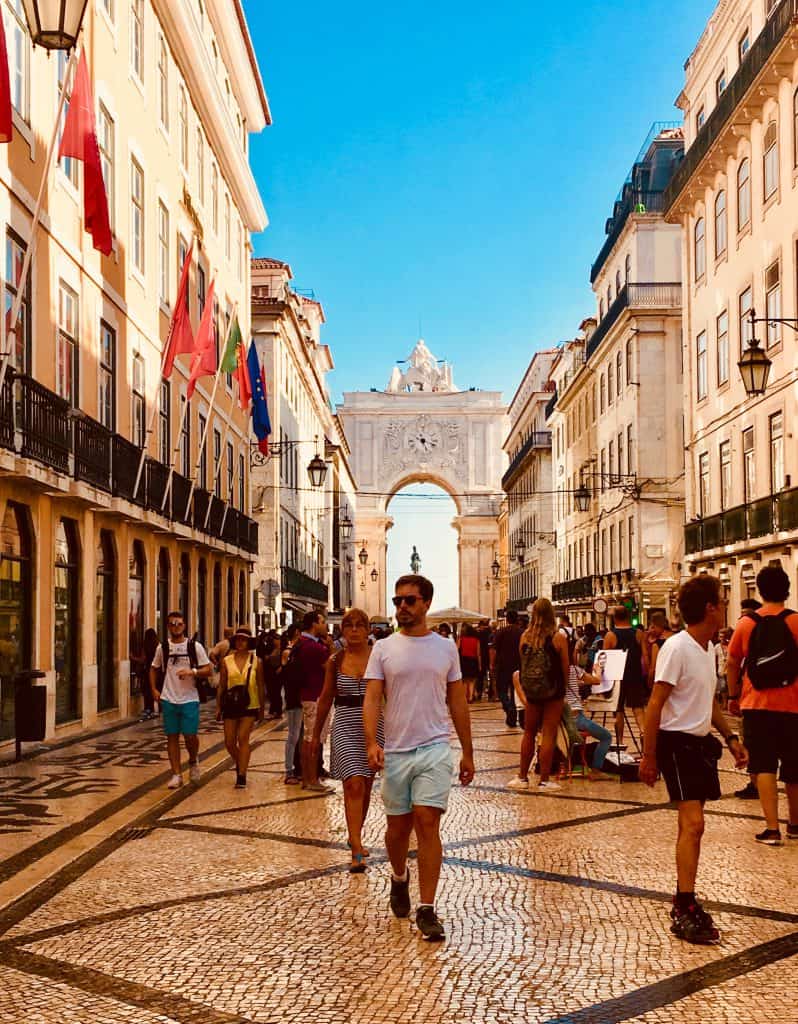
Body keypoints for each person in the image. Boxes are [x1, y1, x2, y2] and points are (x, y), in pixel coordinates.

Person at [363, 574, 474, 942]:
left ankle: (427, 908)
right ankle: (399, 876)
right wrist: (370, 743)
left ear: (426, 602)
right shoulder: (383, 648)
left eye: (409, 600)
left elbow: (457, 700)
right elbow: (372, 698)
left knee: (427, 822)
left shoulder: (446, 648)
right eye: (397, 601)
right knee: (397, 829)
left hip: (434, 747)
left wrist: (467, 751)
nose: (402, 607)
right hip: (396, 750)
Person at [640, 575, 747, 945]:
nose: (724, 606)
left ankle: (686, 898)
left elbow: (708, 702)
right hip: (676, 744)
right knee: (694, 823)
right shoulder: (677, 647)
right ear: (710, 609)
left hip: (699, 744)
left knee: (694, 827)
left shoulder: (708, 649)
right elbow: (655, 703)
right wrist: (649, 756)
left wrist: (730, 737)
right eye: (721, 601)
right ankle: (683, 904)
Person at [726, 565, 798, 845]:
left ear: (759, 590)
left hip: (757, 705)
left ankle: (772, 828)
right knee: (794, 768)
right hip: (793, 706)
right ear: (787, 589)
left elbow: (732, 663)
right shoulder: (795, 622)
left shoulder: (747, 623)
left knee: (764, 765)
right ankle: (795, 823)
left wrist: (733, 696)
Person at [313, 608, 383, 873]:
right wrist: (315, 736)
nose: (354, 630)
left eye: (359, 625)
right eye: (349, 625)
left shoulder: (379, 658)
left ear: (367, 630)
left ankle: (356, 833)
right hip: (343, 723)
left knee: (365, 785)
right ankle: (356, 847)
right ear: (342, 629)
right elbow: (325, 697)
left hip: (373, 726)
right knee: (352, 784)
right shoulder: (336, 659)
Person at [507, 598, 569, 791]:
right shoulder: (558, 637)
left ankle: (522, 777)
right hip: (553, 690)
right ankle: (544, 780)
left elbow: (522, 663)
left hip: (532, 691)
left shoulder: (525, 636)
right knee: (549, 733)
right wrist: (563, 689)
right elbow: (566, 667)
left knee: (529, 732)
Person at [149, 611, 212, 789]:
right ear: (168, 627)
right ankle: (176, 774)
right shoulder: (163, 648)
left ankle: (193, 760)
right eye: (172, 624)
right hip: (169, 698)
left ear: (184, 625)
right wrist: (154, 689)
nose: (175, 627)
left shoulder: (194, 647)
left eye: (179, 623)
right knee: (172, 737)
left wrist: (191, 672)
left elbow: (208, 670)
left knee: (190, 736)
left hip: (190, 698)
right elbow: (154, 668)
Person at [217, 627, 265, 789]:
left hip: (250, 704)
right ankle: (241, 762)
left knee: (243, 738)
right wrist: (218, 706)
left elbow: (260, 685)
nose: (240, 642)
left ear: (249, 642)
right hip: (230, 704)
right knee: (229, 742)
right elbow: (222, 685)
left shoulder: (256, 661)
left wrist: (262, 708)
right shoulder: (226, 661)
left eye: (244, 639)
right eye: (238, 639)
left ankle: (241, 775)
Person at [294, 610, 333, 792]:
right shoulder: (314, 648)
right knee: (313, 739)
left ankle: (306, 778)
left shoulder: (301, 643)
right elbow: (332, 669)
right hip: (316, 696)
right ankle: (312, 780)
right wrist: (331, 648)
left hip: (306, 695)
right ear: (314, 624)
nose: (325, 625)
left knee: (308, 738)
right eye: (323, 622)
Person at [564, 641, 613, 779]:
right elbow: (597, 681)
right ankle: (596, 771)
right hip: (577, 719)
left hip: (561, 719)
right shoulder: (574, 670)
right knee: (606, 737)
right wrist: (598, 671)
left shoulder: (554, 671)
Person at [604, 605, 649, 750]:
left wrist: (603, 681)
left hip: (617, 677)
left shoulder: (610, 635)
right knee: (638, 708)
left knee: (618, 710)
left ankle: (619, 741)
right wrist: (646, 675)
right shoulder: (639, 633)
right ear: (629, 616)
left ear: (614, 618)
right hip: (635, 675)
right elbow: (645, 656)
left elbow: (604, 660)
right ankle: (643, 733)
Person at [278, 626, 303, 785]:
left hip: (297, 697)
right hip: (293, 698)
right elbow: (287, 674)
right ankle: (289, 770)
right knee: (293, 735)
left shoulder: (294, 651)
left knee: (298, 735)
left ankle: (297, 768)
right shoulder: (288, 652)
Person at [490, 609, 523, 728]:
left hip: (502, 666)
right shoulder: (522, 633)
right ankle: (512, 714)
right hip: (518, 667)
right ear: (517, 619)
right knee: (515, 691)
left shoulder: (500, 632)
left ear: (507, 619)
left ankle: (508, 707)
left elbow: (493, 650)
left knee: (501, 690)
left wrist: (492, 664)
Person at [645, 611, 675, 689]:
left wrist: (649, 683)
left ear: (659, 625)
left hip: (664, 683)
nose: (652, 630)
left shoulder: (657, 645)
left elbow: (653, 669)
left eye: (653, 627)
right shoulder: (678, 637)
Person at [138, 628, 160, 721]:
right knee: (156, 688)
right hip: (157, 670)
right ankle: (158, 708)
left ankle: (149, 709)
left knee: (147, 690)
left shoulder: (145, 645)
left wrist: (132, 657)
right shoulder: (158, 645)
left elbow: (143, 659)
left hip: (148, 670)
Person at [458, 624, 481, 703]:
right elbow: (478, 654)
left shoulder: (461, 639)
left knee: (464, 681)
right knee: (472, 681)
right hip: (473, 661)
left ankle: (465, 697)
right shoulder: (476, 640)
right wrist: (479, 665)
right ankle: (470, 697)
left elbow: (457, 650)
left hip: (464, 660)